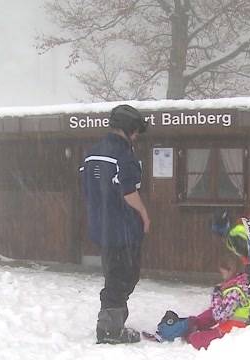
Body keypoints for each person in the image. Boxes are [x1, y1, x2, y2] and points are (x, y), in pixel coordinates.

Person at [80, 104, 150, 344]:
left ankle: (112, 322)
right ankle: (109, 329)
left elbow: (89, 189)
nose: (137, 136)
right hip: (124, 229)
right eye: (136, 131)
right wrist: (144, 215)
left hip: (102, 227)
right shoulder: (124, 155)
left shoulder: (91, 153)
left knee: (115, 274)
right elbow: (128, 192)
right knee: (124, 276)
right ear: (130, 128)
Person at [156, 253, 250, 350]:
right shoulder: (239, 283)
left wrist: (217, 294)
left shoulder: (235, 290)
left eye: (222, 272)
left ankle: (186, 332)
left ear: (230, 270)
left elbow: (220, 316)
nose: (221, 274)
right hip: (230, 324)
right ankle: (189, 325)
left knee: (196, 339)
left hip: (234, 331)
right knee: (206, 315)